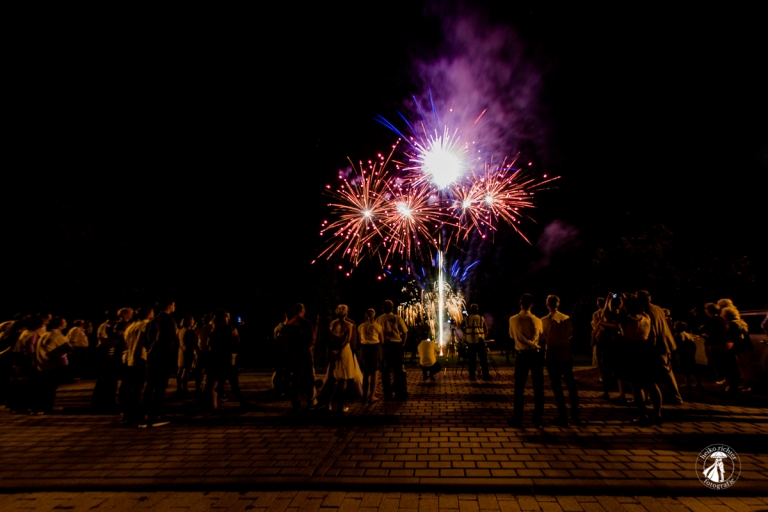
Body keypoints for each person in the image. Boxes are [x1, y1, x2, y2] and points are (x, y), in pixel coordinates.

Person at [637, 290, 682, 405]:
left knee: (664, 371)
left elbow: (652, 331)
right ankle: (670, 395)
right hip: (665, 342)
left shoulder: (646, 311)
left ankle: (675, 397)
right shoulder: (657, 308)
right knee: (665, 370)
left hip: (657, 345)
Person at [542, 295, 580, 426]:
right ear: (558, 304)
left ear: (547, 304)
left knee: (557, 387)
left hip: (553, 356)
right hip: (566, 355)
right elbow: (570, 334)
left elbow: (543, 336)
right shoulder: (566, 318)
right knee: (571, 386)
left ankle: (563, 416)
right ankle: (575, 414)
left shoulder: (544, 320)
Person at [508, 294, 544, 428]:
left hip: (522, 355)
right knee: (538, 387)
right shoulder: (537, 320)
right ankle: (538, 418)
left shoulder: (513, 319)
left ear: (520, 303)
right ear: (532, 304)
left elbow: (512, 335)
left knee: (519, 388)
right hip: (535, 354)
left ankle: (517, 418)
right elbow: (541, 337)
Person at [142, 299, 178, 427]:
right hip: (162, 356)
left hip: (152, 356)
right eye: (173, 305)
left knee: (150, 385)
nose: (174, 307)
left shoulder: (153, 320)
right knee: (160, 386)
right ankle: (156, 412)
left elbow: (146, 339)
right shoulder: (168, 319)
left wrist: (150, 349)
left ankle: (146, 411)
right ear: (169, 306)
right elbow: (168, 338)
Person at [92, 308, 132, 412]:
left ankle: (103, 401)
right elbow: (108, 339)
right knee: (109, 379)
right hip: (108, 354)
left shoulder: (110, 325)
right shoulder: (110, 325)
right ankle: (106, 402)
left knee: (108, 379)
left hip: (108, 353)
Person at [208, 309, 248, 410]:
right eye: (227, 316)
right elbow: (234, 343)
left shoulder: (213, 329)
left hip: (218, 359)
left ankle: (214, 404)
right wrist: (237, 334)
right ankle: (243, 403)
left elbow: (211, 345)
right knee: (233, 383)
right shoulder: (228, 328)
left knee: (220, 383)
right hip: (227, 359)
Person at [33, 317, 72, 414]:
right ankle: (48, 407)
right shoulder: (56, 335)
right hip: (53, 365)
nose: (66, 323)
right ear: (60, 324)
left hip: (43, 364)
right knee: (51, 387)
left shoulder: (45, 335)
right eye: (64, 321)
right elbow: (68, 347)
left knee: (45, 387)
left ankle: (42, 406)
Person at [121, 306, 153, 424]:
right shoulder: (147, 325)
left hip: (130, 359)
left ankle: (128, 412)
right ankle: (137, 413)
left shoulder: (130, 327)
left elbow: (126, 342)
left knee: (131, 387)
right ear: (148, 313)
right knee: (139, 388)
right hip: (142, 358)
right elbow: (149, 341)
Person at [283, 303, 316, 409]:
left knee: (295, 377)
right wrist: (308, 347)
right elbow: (312, 338)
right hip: (304, 352)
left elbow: (287, 341)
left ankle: (295, 399)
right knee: (309, 377)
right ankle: (310, 399)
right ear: (303, 310)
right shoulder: (307, 323)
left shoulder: (290, 323)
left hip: (294, 353)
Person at [701, 303, 738, 392]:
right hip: (725, 344)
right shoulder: (721, 319)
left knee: (723, 365)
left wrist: (705, 336)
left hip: (718, 345)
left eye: (706, 309)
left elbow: (711, 333)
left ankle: (731, 385)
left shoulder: (712, 321)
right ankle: (731, 383)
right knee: (728, 364)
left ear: (708, 311)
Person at [327, 304, 357, 415]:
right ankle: (340, 405)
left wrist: (334, 348)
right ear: (346, 313)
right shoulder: (349, 324)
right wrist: (340, 349)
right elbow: (348, 340)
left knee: (334, 377)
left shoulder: (333, 323)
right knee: (343, 378)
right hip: (344, 351)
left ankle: (328, 403)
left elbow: (331, 338)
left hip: (334, 350)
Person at [375, 300, 408, 401]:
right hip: (397, 345)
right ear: (392, 308)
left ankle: (387, 394)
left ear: (383, 308)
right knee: (398, 370)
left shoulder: (379, 319)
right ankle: (399, 392)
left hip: (385, 346)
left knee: (385, 371)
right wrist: (403, 343)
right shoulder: (397, 318)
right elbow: (405, 332)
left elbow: (376, 332)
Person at [722, 307, 754, 392]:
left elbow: (733, 336)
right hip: (746, 346)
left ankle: (750, 383)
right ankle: (748, 382)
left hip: (740, 347)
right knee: (746, 366)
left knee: (745, 366)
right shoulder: (741, 322)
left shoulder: (733, 323)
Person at [358, 308, 383, 404]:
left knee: (366, 373)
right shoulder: (378, 327)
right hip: (374, 348)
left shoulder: (361, 326)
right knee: (375, 373)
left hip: (364, 348)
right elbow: (382, 340)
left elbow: (360, 339)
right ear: (374, 316)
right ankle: (372, 396)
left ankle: (364, 396)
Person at [464, 304, 491, 381]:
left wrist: (466, 336)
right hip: (480, 340)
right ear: (477, 310)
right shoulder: (481, 318)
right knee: (483, 360)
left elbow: (462, 328)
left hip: (470, 341)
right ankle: (486, 376)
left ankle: (472, 376)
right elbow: (486, 329)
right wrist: (484, 336)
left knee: (471, 360)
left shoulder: (466, 318)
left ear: (470, 310)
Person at [673, 321, 702, 390]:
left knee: (685, 369)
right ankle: (698, 383)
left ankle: (688, 383)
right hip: (690, 354)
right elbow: (693, 345)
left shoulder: (677, 335)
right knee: (693, 369)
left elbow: (677, 346)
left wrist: (678, 354)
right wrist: (693, 353)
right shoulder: (688, 335)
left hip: (683, 355)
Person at [176, 316, 197, 395]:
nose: (193, 322)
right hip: (188, 351)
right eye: (192, 321)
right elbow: (193, 341)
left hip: (181, 351)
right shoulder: (190, 331)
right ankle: (185, 388)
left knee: (180, 370)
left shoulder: (181, 330)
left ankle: (179, 387)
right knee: (186, 370)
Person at [591, 297, 606, 382]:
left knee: (600, 357)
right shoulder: (608, 313)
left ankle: (601, 376)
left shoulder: (597, 314)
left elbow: (596, 327)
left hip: (600, 337)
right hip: (605, 337)